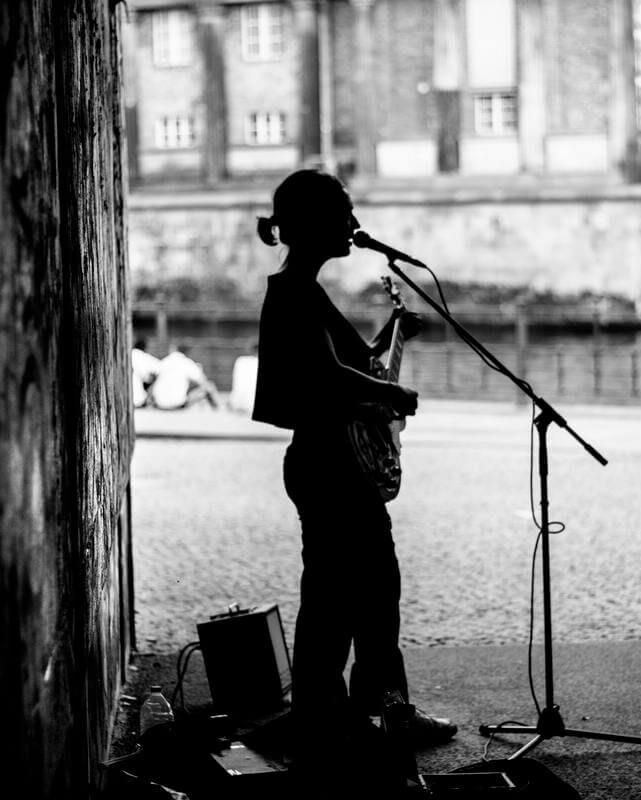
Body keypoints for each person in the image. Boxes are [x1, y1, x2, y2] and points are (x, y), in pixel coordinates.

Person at [251, 170, 457, 779]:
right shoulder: (292, 292)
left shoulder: (301, 291)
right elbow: (331, 378)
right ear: (313, 223)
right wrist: (398, 396)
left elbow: (345, 364)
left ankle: (342, 713)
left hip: (325, 462)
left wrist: (391, 335)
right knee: (363, 596)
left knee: (342, 597)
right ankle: (366, 715)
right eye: (343, 212)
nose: (353, 223)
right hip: (328, 465)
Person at [147, 345, 222, 410]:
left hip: (159, 404)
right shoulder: (187, 363)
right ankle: (218, 409)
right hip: (178, 404)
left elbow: (151, 376)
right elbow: (203, 381)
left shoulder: (164, 361)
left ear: (174, 349)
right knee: (209, 386)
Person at [131, 339, 161, 409]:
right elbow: (160, 368)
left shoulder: (127, 354)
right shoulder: (142, 356)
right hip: (138, 400)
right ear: (145, 348)